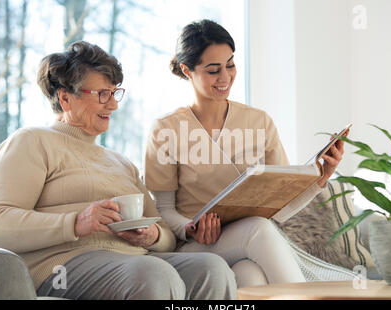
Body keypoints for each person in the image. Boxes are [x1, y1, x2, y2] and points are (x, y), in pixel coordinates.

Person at [0, 41, 236, 300]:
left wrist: (151, 237)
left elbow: (164, 234)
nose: (113, 105)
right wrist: (75, 223)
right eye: (102, 94)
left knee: (212, 268)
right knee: (153, 273)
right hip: (60, 268)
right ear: (65, 98)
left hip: (134, 260)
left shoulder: (120, 162)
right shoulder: (32, 141)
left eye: (115, 93)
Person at [144, 20, 349, 286]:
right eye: (213, 70)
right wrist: (190, 228)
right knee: (259, 230)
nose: (225, 77)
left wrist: (321, 176)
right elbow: (164, 210)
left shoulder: (259, 121)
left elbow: (281, 209)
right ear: (187, 70)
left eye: (230, 64)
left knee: (249, 275)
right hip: (195, 248)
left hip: (251, 242)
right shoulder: (165, 129)